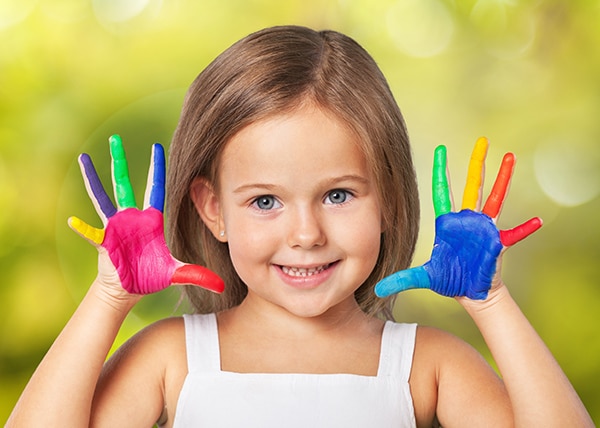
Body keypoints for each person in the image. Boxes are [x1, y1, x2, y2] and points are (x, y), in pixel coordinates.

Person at [7, 25, 593, 427]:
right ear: (213, 209)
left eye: (338, 194)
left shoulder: (426, 365)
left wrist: (492, 303)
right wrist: (107, 297)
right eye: (265, 202)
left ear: (388, 197)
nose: (306, 233)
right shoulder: (174, 359)